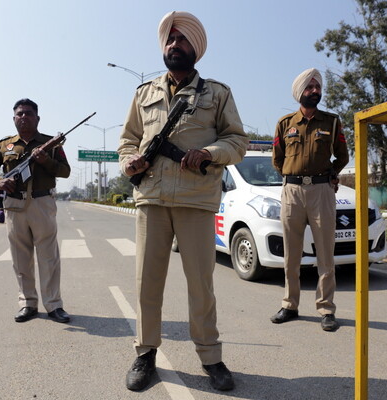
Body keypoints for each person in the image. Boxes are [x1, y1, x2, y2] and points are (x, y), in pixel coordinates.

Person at [118, 11, 248, 392]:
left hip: (195, 201)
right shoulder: (144, 94)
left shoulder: (217, 93)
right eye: (170, 40)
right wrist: (130, 160)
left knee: (200, 285)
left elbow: (237, 141)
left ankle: (211, 357)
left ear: (196, 48)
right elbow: (127, 139)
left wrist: (209, 152)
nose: (174, 45)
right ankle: (145, 355)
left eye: (182, 39)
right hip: (152, 199)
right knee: (147, 283)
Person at [270, 68, 349, 332]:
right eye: (309, 87)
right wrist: (292, 176)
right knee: (291, 254)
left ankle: (326, 308)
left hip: (321, 192)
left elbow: (343, 156)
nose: (315, 91)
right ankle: (289, 305)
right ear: (299, 93)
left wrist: (332, 174)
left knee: (325, 253)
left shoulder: (332, 122)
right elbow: (277, 159)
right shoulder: (284, 123)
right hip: (292, 192)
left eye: (317, 87)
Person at [0, 98, 71, 324]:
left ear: (37, 118)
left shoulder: (51, 143)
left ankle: (53, 305)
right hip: (14, 205)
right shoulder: (5, 145)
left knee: (48, 257)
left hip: (42, 204)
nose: (23, 117)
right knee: (21, 259)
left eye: (28, 113)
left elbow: (65, 171)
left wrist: (45, 162)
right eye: (19, 114)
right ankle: (28, 304)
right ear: (14, 119)